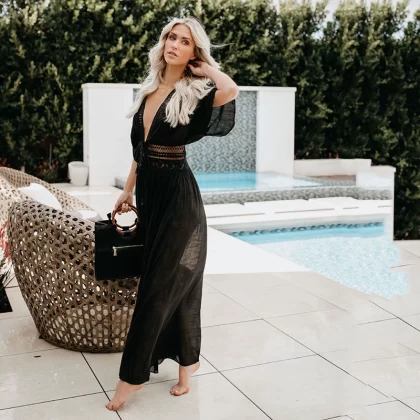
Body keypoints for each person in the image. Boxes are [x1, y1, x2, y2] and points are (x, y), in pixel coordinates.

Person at [106, 16, 238, 411]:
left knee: (158, 288)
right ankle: (187, 368)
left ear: (193, 51)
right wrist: (127, 191)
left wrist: (205, 67)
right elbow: (141, 150)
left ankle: (130, 380)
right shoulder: (149, 90)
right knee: (175, 285)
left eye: (184, 41)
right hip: (151, 196)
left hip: (180, 202)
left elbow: (230, 90)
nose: (174, 45)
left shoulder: (194, 92)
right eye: (171, 37)